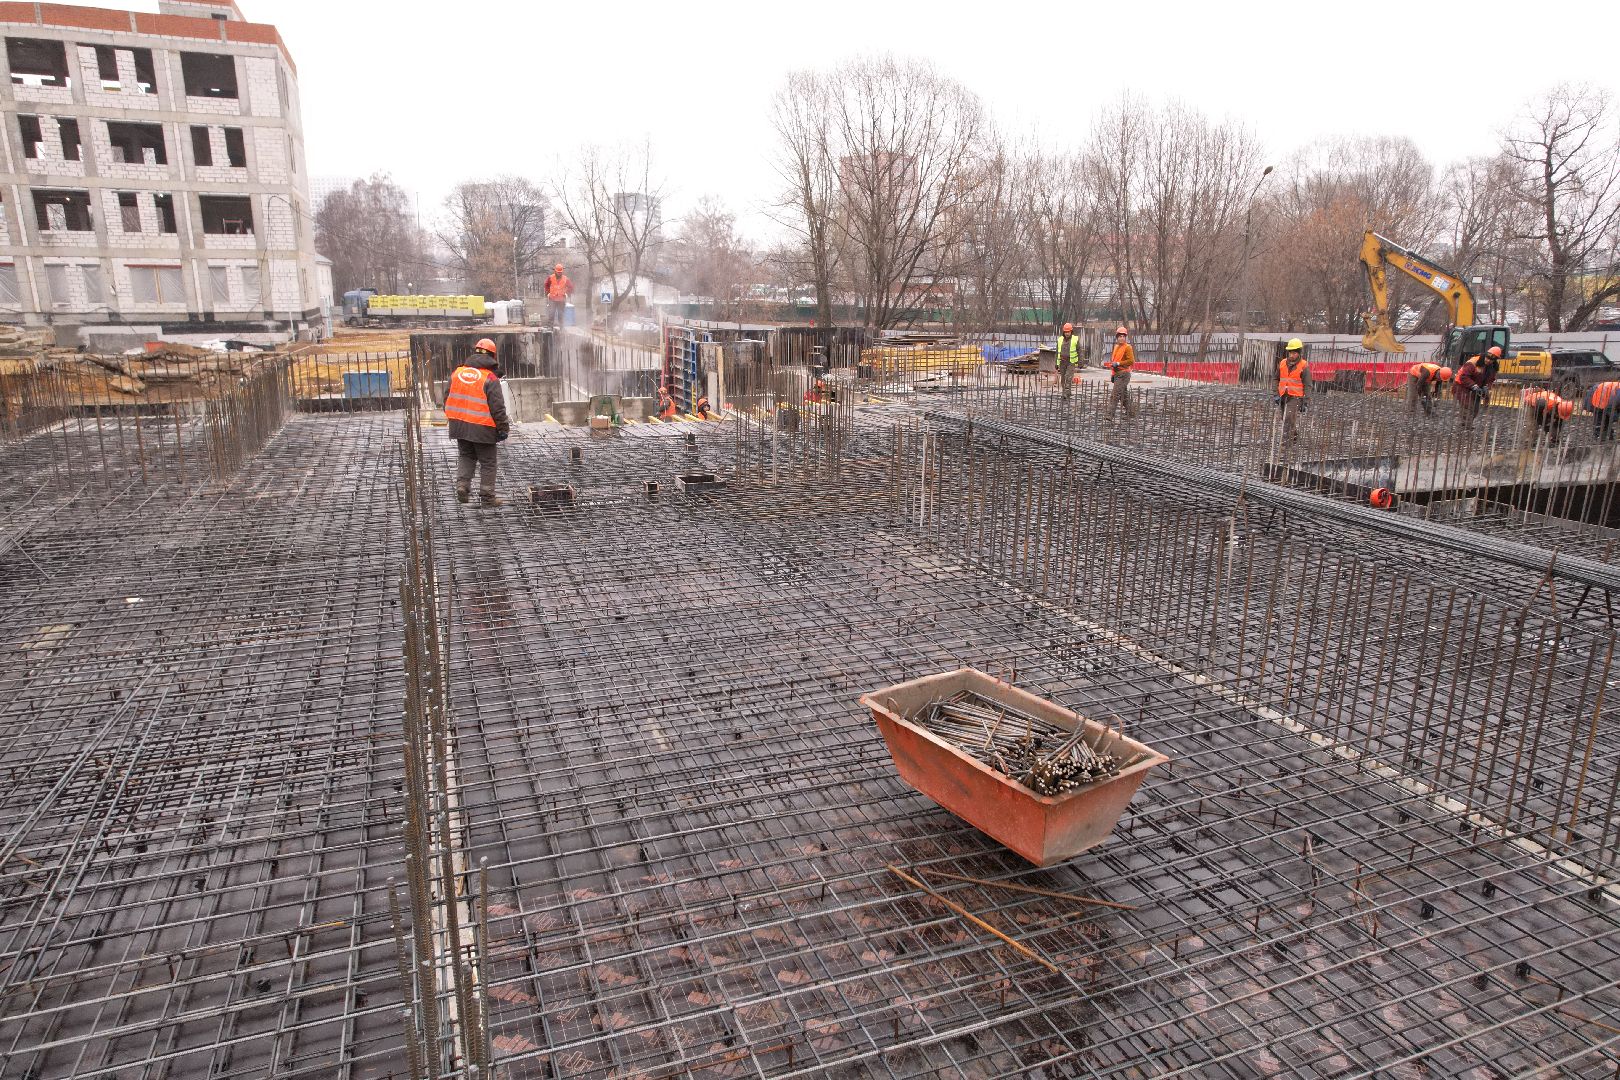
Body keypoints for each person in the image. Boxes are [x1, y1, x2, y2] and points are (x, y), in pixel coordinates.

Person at [445, 337, 510, 507]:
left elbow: (447, 398)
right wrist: (503, 428)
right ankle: (487, 498)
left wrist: (456, 419)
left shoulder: (457, 373)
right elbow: (498, 408)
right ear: (492, 357)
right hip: (482, 427)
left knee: (466, 455)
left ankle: (462, 486)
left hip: (459, 425)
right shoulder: (489, 378)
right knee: (488, 462)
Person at [1453, 345, 1501, 433]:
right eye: (1487, 358)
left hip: (1477, 387)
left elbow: (1491, 379)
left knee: (1475, 408)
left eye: (1491, 360)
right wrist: (1473, 385)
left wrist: (1487, 386)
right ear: (1485, 355)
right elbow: (1463, 377)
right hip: (1461, 386)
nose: (1488, 360)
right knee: (1467, 406)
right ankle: (1466, 427)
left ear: (1494, 360)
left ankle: (1467, 424)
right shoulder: (1472, 363)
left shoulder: (1493, 367)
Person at [1277, 338, 1308, 445]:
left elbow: (1308, 384)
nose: (1291, 355)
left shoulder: (1304, 365)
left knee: (1288, 418)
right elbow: (1275, 378)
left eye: (1294, 352)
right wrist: (1276, 393)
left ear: (1298, 352)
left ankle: (1285, 443)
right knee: (1284, 418)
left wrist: (1305, 401)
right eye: (1290, 352)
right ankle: (1294, 436)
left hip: (1295, 397)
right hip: (1283, 395)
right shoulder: (1282, 363)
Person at [1105, 326, 1136, 421]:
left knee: (1115, 394)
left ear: (1125, 337)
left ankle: (1109, 415)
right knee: (1123, 395)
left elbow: (1131, 361)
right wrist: (1113, 374)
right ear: (1117, 337)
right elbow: (1114, 361)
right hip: (1117, 374)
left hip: (1124, 374)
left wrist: (1119, 363)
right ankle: (1131, 412)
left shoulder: (1128, 347)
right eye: (1120, 336)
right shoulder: (1116, 347)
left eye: (1123, 336)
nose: (1121, 338)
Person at [1054, 322, 1084, 402]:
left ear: (1071, 332)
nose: (1067, 333)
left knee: (1068, 377)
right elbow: (1057, 352)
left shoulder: (1075, 339)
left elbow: (1080, 351)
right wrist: (1056, 363)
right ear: (1063, 332)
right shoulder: (1060, 340)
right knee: (1063, 379)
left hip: (1071, 362)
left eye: (1068, 332)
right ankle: (1067, 392)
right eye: (1066, 332)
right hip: (1062, 362)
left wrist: (1081, 361)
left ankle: (1065, 394)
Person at [544, 263, 572, 328]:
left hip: (561, 299)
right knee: (551, 314)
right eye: (558, 272)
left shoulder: (565, 279)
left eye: (560, 272)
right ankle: (550, 327)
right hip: (552, 299)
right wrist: (548, 292)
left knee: (561, 314)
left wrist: (567, 293)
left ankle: (562, 327)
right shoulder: (550, 277)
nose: (559, 273)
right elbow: (546, 285)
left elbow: (571, 287)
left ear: (562, 271)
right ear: (555, 271)